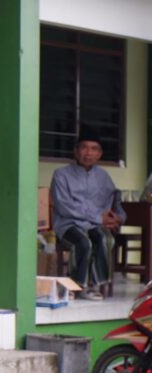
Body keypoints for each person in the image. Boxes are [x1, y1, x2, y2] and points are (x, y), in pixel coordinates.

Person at [50, 126, 126, 300]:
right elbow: (64, 206)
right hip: (68, 224)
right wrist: (99, 217)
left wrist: (118, 218)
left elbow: (116, 200)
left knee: (105, 238)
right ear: (76, 151)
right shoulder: (61, 175)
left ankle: (94, 285)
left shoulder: (103, 177)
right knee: (84, 242)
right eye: (84, 147)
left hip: (93, 225)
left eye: (94, 149)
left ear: (99, 154)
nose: (88, 153)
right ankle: (76, 286)